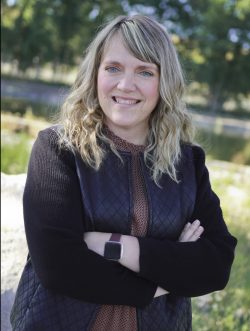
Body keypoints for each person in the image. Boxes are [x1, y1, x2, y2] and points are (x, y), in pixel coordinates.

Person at [11, 15, 237, 331]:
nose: (125, 85)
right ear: (95, 74)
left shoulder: (187, 163)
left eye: (144, 72)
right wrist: (167, 275)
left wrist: (113, 246)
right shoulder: (59, 150)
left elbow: (215, 266)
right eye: (113, 68)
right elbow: (59, 266)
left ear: (164, 83)